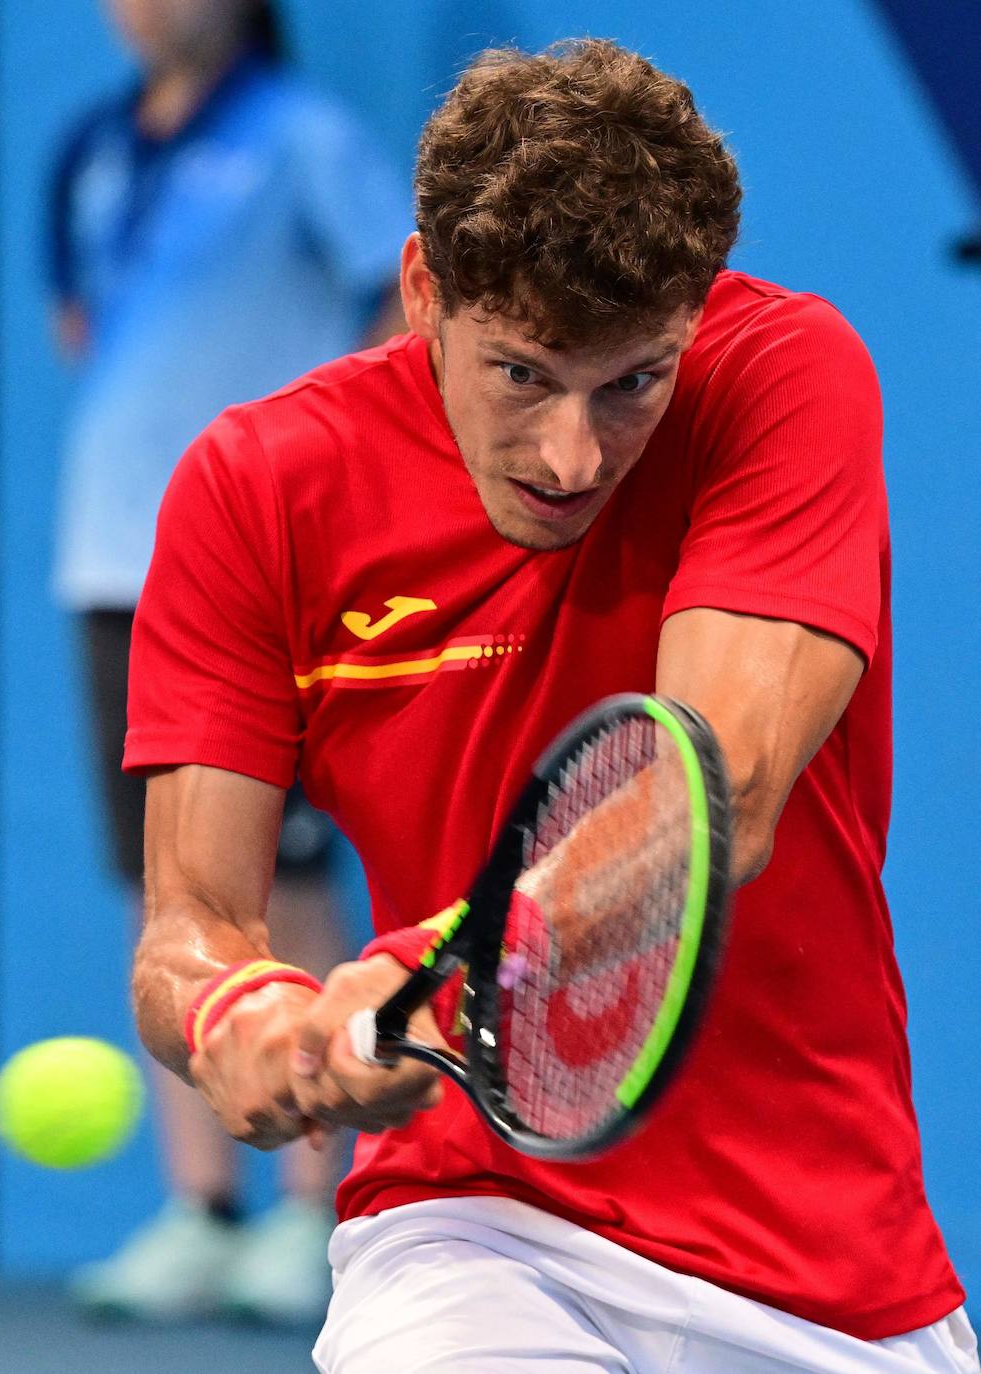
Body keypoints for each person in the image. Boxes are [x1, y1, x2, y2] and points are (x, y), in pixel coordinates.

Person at [123, 37, 979, 1374]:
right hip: (472, 1237)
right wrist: (236, 1016)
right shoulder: (256, 488)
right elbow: (196, 918)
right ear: (423, 292)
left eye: (631, 379)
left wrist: (448, 972)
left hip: (828, 1268)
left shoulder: (783, 373)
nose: (572, 454)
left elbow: (715, 796)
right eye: (521, 372)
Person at [47, 0, 409, 1323]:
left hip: (274, 565)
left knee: (293, 878)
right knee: (171, 892)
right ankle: (199, 1207)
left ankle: (311, 1203)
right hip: (111, 558)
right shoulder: (91, 148)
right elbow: (80, 329)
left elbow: (395, 299)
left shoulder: (305, 134)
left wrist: (327, 484)